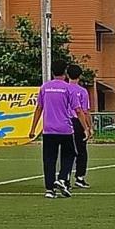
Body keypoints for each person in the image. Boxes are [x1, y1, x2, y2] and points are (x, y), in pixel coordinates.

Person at [28, 59, 91, 199]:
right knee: (69, 155)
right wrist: (86, 128)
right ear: (65, 73)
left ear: (52, 72)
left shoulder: (45, 87)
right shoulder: (68, 88)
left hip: (48, 129)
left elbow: (39, 108)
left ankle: (49, 189)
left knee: (49, 159)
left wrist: (33, 129)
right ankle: (62, 178)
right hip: (65, 128)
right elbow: (78, 110)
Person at [66, 64, 93, 188]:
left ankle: (65, 178)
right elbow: (85, 111)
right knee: (81, 151)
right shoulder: (82, 91)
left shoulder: (64, 89)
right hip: (78, 122)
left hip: (64, 121)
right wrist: (89, 127)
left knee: (67, 151)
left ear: (67, 75)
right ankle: (80, 177)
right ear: (80, 76)